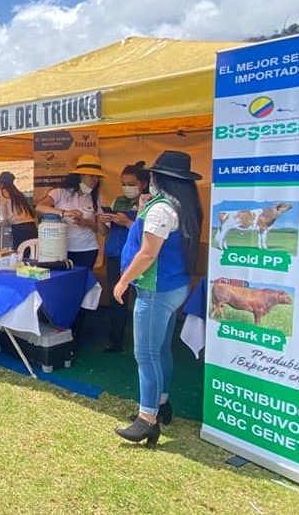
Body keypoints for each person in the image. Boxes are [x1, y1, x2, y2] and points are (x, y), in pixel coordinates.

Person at [113, 150, 202, 447]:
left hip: (155, 290)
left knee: (146, 355)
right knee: (161, 348)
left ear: (159, 178)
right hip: (175, 287)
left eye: (151, 175)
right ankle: (161, 404)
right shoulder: (181, 206)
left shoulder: (161, 210)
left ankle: (146, 420)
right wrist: (142, 209)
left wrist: (123, 280)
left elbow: (148, 253)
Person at [97, 161, 150, 353]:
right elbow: (103, 232)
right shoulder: (117, 201)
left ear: (143, 184)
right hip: (115, 256)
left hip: (141, 258)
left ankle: (144, 343)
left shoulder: (151, 203)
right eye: (124, 183)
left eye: (131, 183)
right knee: (117, 299)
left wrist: (128, 222)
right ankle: (115, 340)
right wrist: (101, 221)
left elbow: (149, 233)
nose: (126, 188)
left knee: (144, 300)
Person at [36, 154, 108, 269]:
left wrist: (86, 223)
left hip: (87, 249)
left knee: (82, 282)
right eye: (92, 176)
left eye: (98, 177)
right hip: (61, 247)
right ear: (80, 175)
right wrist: (64, 213)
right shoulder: (60, 192)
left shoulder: (94, 197)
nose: (96, 180)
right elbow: (40, 207)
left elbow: (99, 230)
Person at [0, 171, 37, 252]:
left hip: (19, 228)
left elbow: (2, 215)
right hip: (31, 226)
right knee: (32, 254)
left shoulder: (2, 192)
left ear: (1, 182)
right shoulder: (18, 193)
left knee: (20, 255)